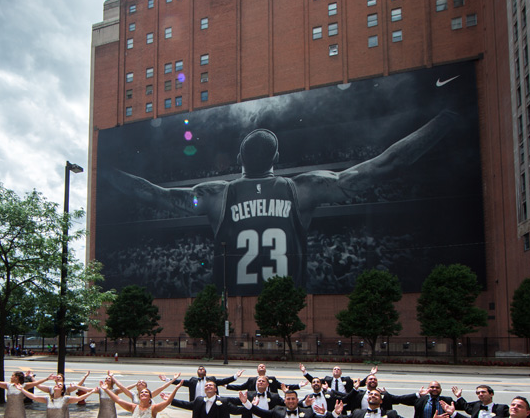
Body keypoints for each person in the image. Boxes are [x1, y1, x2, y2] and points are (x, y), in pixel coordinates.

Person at [110, 111, 458, 294]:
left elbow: (151, 193)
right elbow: (386, 164)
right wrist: (446, 120)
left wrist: (105, 170)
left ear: (238, 158)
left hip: (230, 305)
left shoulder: (218, 195)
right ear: (277, 156)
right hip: (290, 305)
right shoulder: (303, 188)